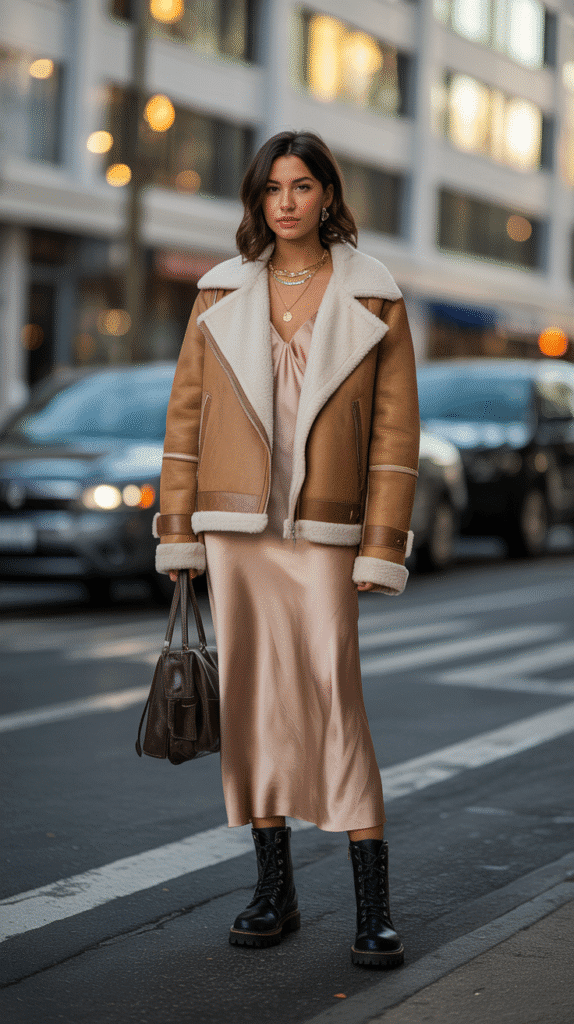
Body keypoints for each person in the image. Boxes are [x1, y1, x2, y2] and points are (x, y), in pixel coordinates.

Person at [153, 130, 420, 968]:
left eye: (303, 186)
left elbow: (394, 433)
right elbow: (185, 421)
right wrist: (178, 532)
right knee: (254, 707)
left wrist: (381, 544)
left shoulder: (375, 297)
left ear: (329, 196)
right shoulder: (218, 293)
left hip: (323, 534)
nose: (287, 202)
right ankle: (275, 890)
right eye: (273, 188)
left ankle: (373, 905)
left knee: (335, 700)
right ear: (257, 200)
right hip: (235, 531)